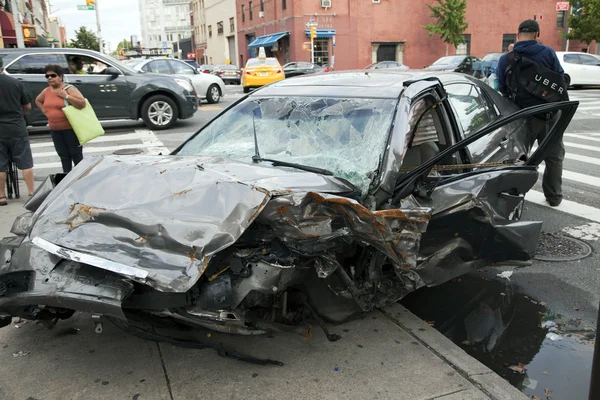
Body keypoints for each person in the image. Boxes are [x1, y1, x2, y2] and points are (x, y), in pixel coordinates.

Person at [497, 19, 566, 207]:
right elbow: (560, 80)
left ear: (518, 35)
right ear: (537, 34)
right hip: (549, 115)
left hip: (521, 117)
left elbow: (501, 87)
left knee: (518, 156)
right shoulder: (548, 53)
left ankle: (514, 196)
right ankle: (554, 197)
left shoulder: (506, 59)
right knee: (554, 156)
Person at [35, 64, 87, 173]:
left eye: (53, 75)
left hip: (70, 129)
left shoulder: (69, 89)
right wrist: (46, 112)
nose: (49, 78)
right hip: (55, 130)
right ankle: (66, 179)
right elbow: (38, 100)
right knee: (63, 156)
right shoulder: (46, 91)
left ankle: (80, 178)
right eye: (47, 76)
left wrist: (66, 96)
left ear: (60, 76)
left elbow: (82, 104)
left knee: (76, 155)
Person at [0, 57, 36, 206]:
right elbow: (27, 106)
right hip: (17, 127)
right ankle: (32, 193)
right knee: (25, 162)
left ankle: (1, 196)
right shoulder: (16, 83)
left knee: (0, 164)